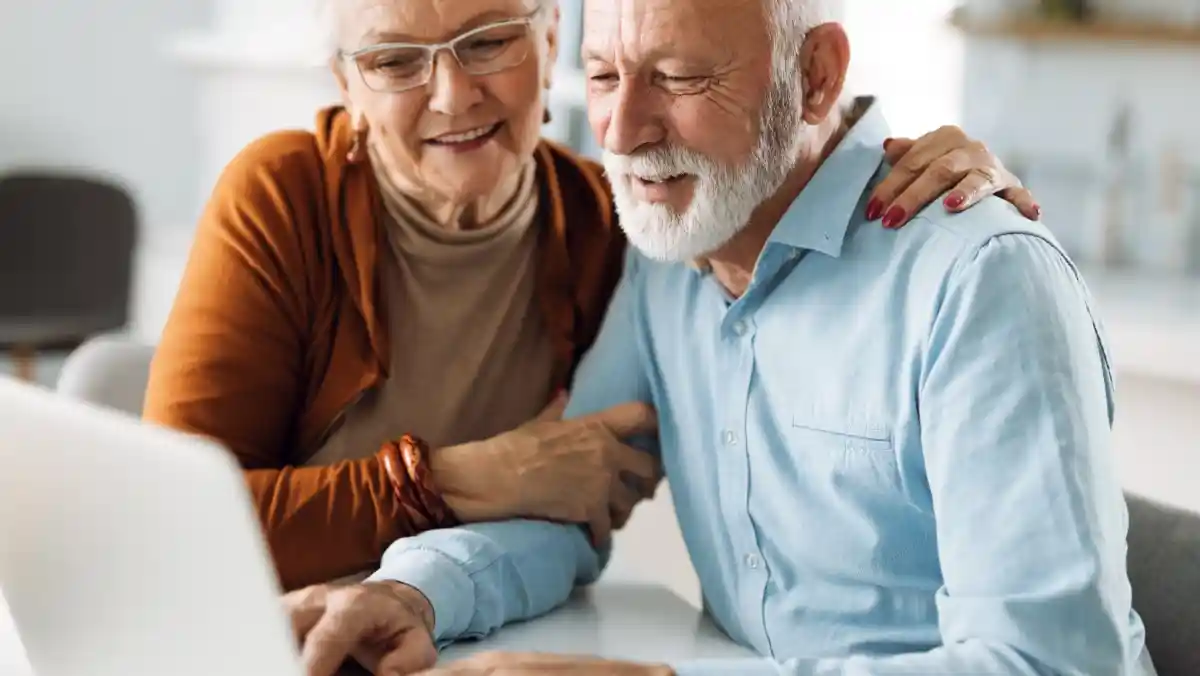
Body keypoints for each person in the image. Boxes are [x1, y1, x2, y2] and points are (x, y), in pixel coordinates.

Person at [282, 1, 1159, 675]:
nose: (621, 133)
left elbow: (1047, 664)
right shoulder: (672, 255)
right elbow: (569, 498)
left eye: (679, 77)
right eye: (601, 75)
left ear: (813, 78)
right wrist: (414, 592)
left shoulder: (979, 279)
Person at [144, 0, 1035, 593]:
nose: (452, 94)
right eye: (395, 61)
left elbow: (761, 169)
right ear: (346, 85)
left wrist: (936, 167)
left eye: (487, 39)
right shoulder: (283, 196)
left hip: (456, 635)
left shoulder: (618, 224)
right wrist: (461, 480)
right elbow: (169, 529)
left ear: (546, 43)